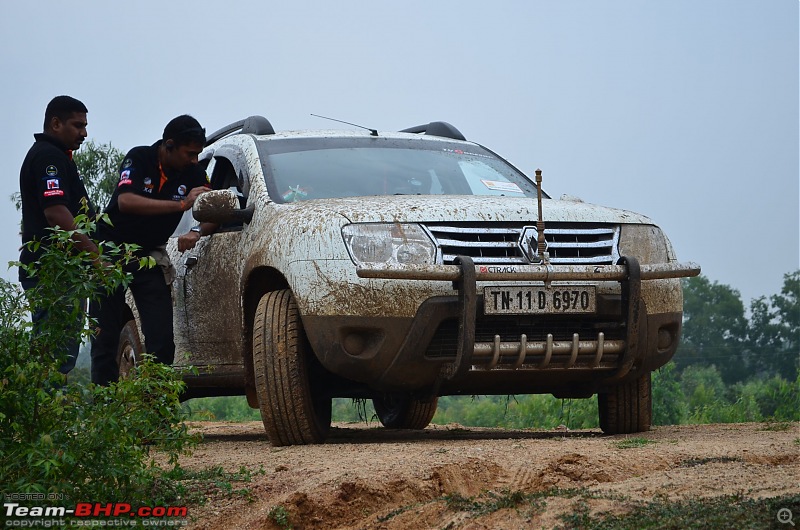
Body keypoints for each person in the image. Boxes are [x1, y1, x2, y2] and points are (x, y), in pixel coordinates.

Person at [90, 115, 214, 385]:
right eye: (189, 153)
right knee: (105, 336)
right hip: (110, 253)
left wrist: (197, 230)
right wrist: (181, 205)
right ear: (168, 145)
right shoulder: (140, 158)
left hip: (148, 256)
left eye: (198, 154)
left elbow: (214, 207)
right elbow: (126, 201)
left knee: (161, 338)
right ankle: (104, 410)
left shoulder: (193, 171)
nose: (194, 160)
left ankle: (156, 409)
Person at [18, 95, 98, 374]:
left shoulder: (57, 156)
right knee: (55, 354)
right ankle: (42, 414)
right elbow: (56, 213)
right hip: (53, 273)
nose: (84, 133)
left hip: (61, 272)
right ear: (55, 123)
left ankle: (44, 413)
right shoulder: (48, 157)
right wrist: (95, 255)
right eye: (78, 125)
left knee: (57, 352)